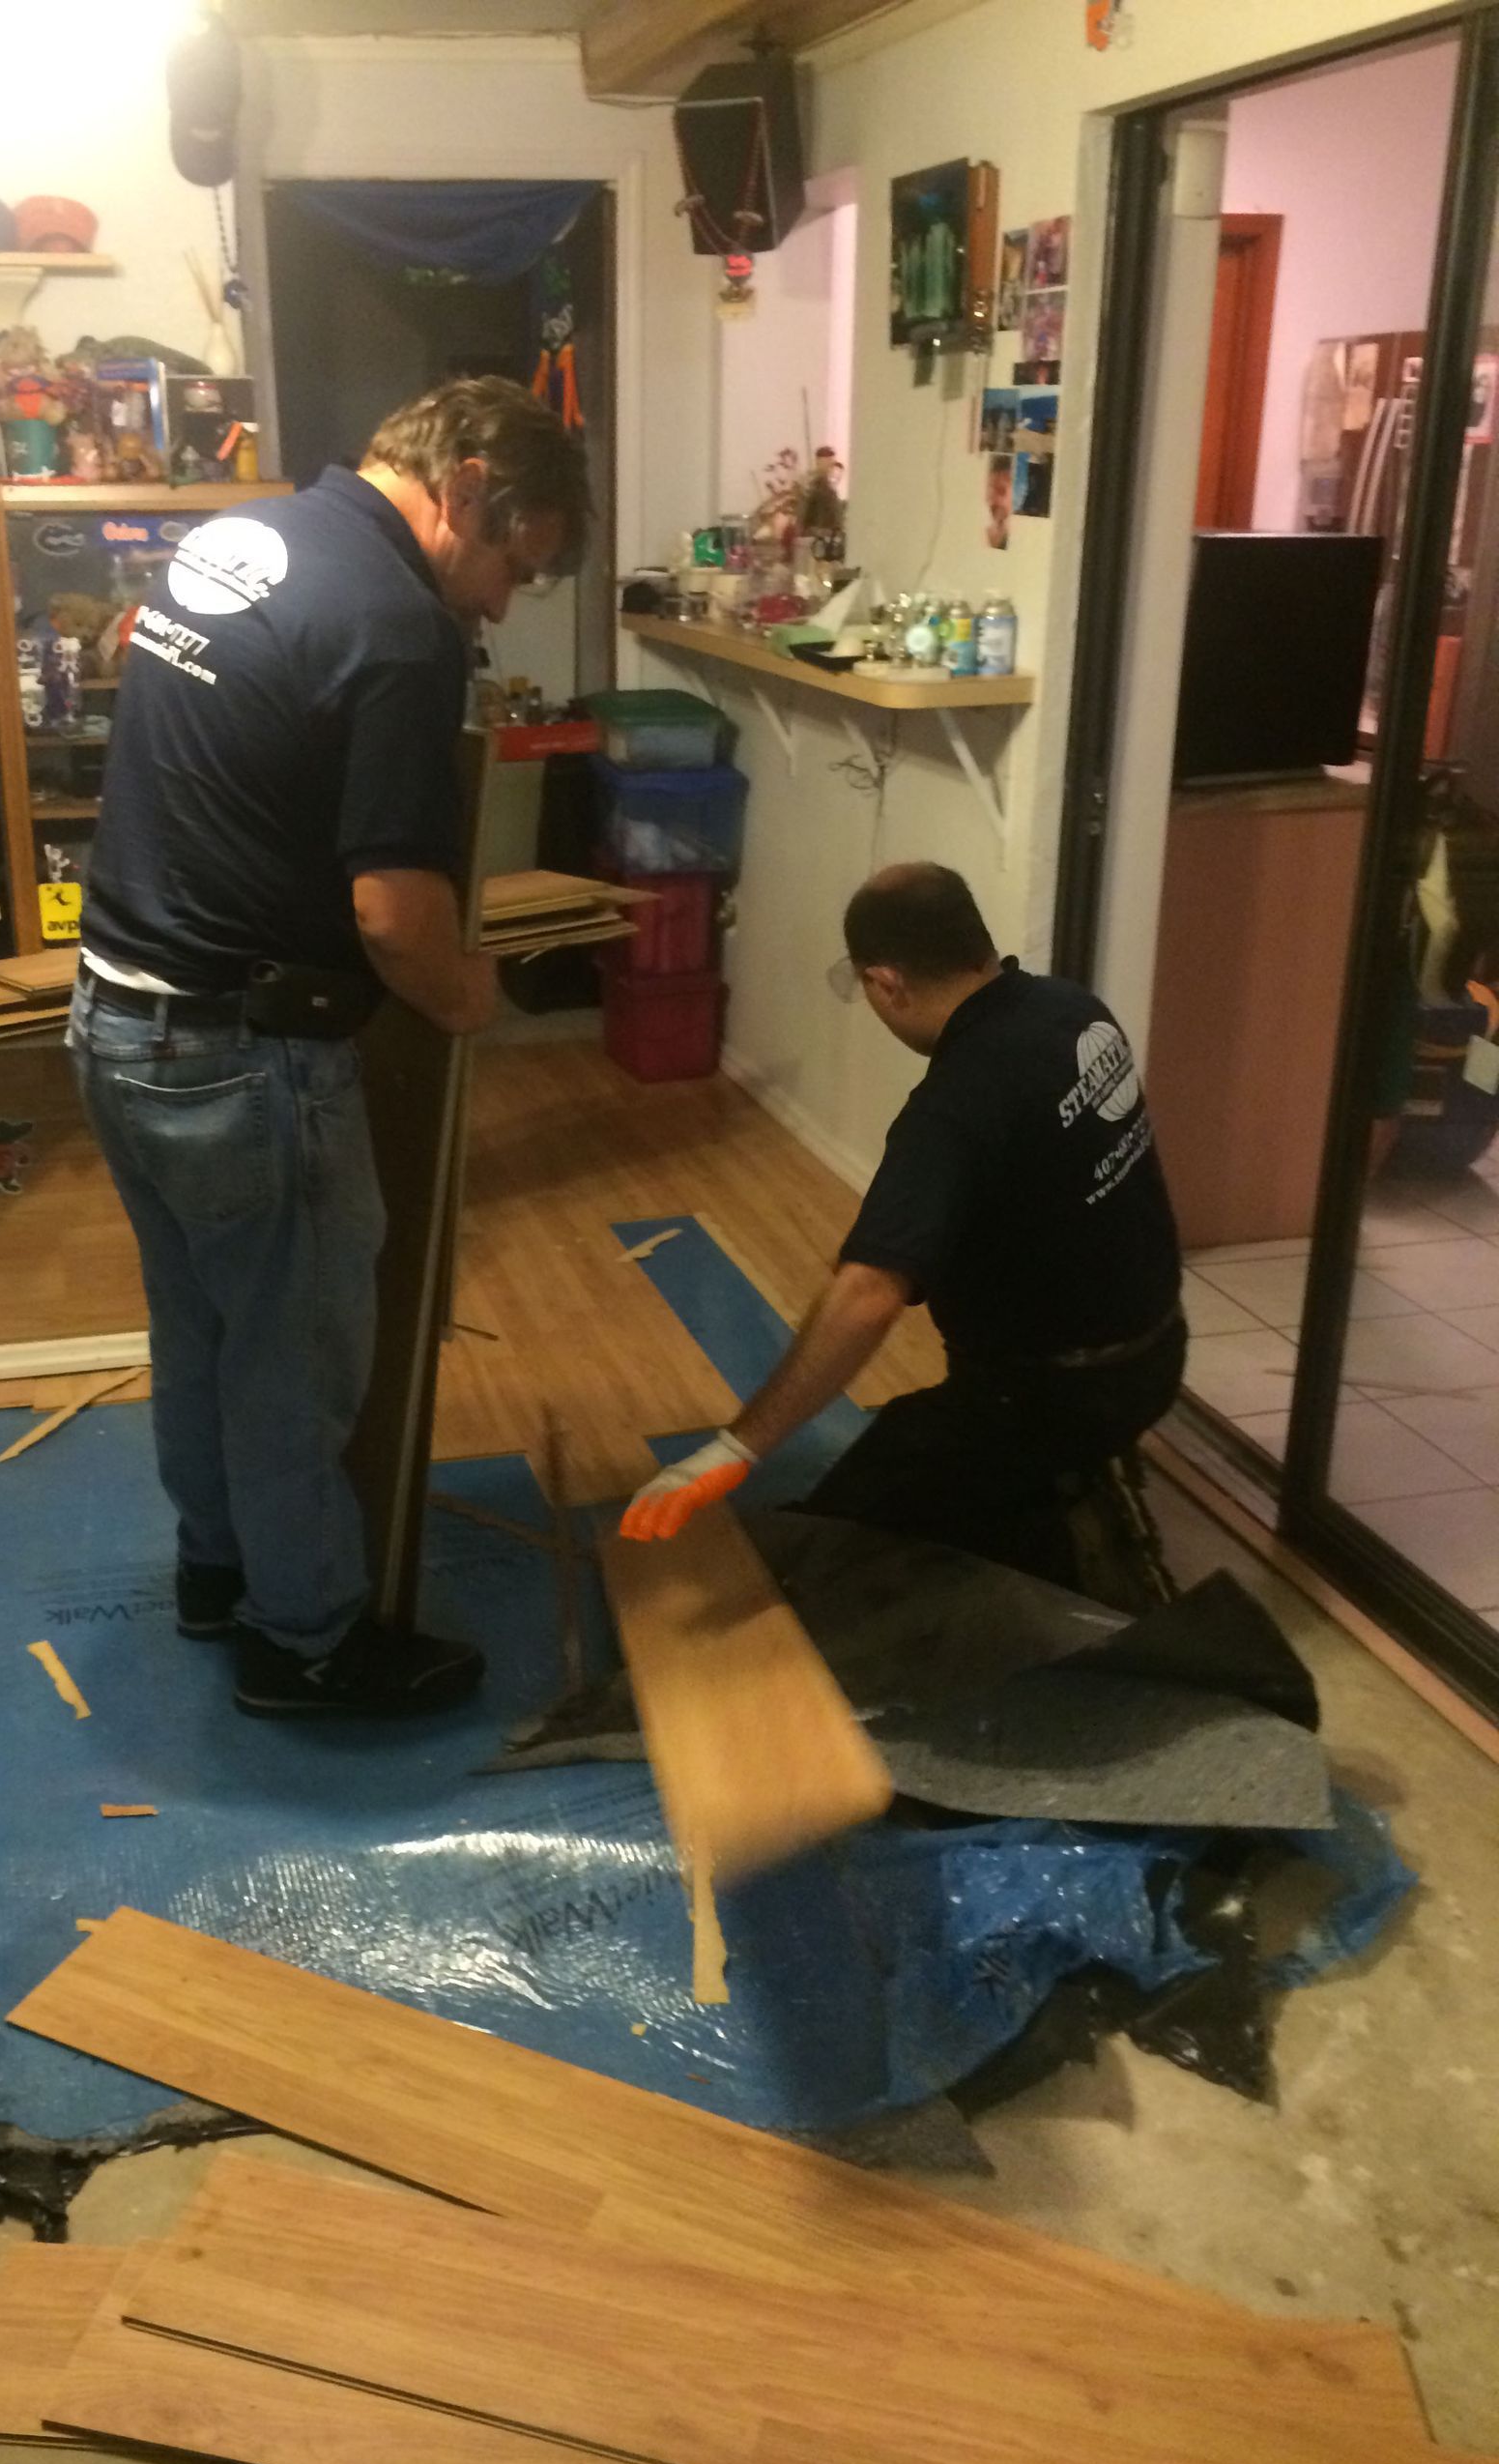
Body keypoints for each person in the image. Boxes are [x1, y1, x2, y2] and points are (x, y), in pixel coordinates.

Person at [70, 377, 588, 1720]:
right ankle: (305, 1642)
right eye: (509, 564)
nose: (496, 604)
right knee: (295, 1360)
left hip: (117, 1017)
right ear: (466, 489)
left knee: (200, 1328)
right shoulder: (394, 627)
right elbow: (395, 915)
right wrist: (474, 995)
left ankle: (215, 1573)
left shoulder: (242, 539)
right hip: (241, 1058)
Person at [621, 863, 1185, 1600]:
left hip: (1049, 1398)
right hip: (1159, 1351)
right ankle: (1059, 1489)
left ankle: (1074, 1518)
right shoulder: (1075, 1011)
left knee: (836, 1549)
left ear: (887, 983)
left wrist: (738, 1444)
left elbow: (868, 1296)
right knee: (943, 1486)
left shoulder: (951, 1110)